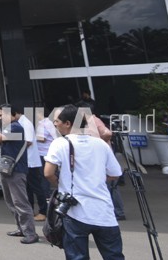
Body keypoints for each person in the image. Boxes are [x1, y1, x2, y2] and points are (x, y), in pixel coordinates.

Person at [44, 104, 125, 259]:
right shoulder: (100, 144)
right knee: (114, 256)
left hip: (75, 212)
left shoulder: (60, 143)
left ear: (68, 123)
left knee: (77, 256)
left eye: (57, 121)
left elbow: (48, 173)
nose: (54, 124)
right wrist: (97, 182)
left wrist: (60, 184)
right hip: (104, 211)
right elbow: (115, 173)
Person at [0, 103, 39, 244]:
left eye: (2, 115)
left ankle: (30, 233)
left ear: (13, 114)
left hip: (16, 170)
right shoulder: (9, 128)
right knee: (11, 202)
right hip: (7, 169)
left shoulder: (16, 127)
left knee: (20, 202)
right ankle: (22, 229)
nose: (0, 118)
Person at [18, 109, 46, 222]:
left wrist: (15, 146)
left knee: (36, 187)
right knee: (27, 188)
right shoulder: (21, 122)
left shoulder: (25, 123)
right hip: (26, 161)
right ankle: (30, 211)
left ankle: (43, 211)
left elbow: (28, 141)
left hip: (31, 162)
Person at [35, 107, 58, 219]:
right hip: (50, 153)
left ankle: (47, 203)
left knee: (44, 178)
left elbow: (41, 138)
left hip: (43, 153)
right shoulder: (51, 123)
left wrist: (31, 136)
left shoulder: (42, 123)